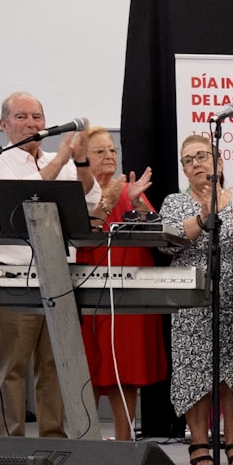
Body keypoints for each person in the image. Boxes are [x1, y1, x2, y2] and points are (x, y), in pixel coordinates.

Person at [0, 92, 83, 438]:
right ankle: (9, 446)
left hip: (58, 276)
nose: (32, 124)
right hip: (12, 279)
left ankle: (53, 441)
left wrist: (79, 161)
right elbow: (27, 198)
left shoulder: (59, 160)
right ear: (3, 124)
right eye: (21, 117)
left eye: (37, 117)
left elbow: (87, 202)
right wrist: (63, 158)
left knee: (54, 365)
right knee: (12, 368)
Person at [159, 132, 233, 465]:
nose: (196, 163)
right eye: (188, 160)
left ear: (219, 161)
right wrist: (203, 219)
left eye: (202, 156)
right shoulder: (175, 202)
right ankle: (199, 442)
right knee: (195, 369)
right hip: (191, 301)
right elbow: (167, 245)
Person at [75, 127, 166, 441]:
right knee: (88, 368)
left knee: (125, 370)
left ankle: (124, 443)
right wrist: (108, 201)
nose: (109, 156)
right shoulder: (79, 191)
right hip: (90, 295)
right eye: (100, 151)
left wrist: (138, 204)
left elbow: (157, 234)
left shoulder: (130, 189)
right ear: (84, 158)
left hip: (130, 296)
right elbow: (83, 234)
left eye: (112, 150)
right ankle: (85, 443)